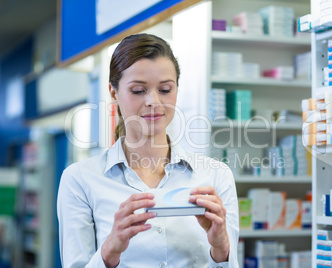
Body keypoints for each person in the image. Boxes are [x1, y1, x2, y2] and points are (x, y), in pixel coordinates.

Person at [57, 33, 239, 268]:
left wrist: (221, 249)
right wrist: (109, 251)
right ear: (114, 93)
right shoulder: (80, 180)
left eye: (165, 89)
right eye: (138, 90)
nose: (153, 101)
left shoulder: (216, 175)